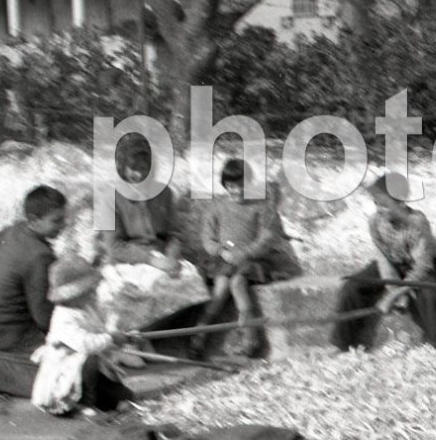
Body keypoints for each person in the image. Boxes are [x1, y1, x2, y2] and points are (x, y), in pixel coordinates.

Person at [332, 173, 436, 353]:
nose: (379, 209)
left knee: (430, 292)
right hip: (393, 263)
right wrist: (395, 292)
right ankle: (343, 344)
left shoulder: (417, 221)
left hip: (418, 265)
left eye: (385, 205)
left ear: (401, 203)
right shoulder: (375, 221)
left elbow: (423, 266)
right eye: (376, 204)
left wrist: (395, 294)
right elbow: (383, 258)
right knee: (352, 286)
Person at [0, 185, 68, 397]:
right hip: (15, 338)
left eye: (63, 218)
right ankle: (2, 374)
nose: (63, 225)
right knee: (69, 376)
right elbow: (42, 316)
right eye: (56, 220)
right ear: (34, 220)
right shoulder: (40, 256)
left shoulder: (14, 231)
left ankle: (2, 367)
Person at [200, 158, 301, 355]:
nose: (236, 191)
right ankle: (200, 334)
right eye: (231, 186)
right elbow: (208, 238)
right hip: (226, 259)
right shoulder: (217, 208)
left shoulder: (262, 207)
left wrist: (245, 253)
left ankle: (250, 338)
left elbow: (268, 237)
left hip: (255, 260)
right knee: (220, 288)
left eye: (241, 186)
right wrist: (222, 251)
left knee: (237, 283)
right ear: (225, 186)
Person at [31, 254, 135, 416]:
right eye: (88, 292)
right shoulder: (63, 318)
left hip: (92, 371)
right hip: (66, 374)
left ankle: (100, 399)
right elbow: (85, 344)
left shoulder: (86, 308)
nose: (93, 294)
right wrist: (111, 338)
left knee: (127, 397)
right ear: (72, 296)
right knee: (88, 359)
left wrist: (122, 337)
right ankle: (83, 404)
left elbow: (101, 333)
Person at [101, 137, 201, 276]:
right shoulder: (110, 198)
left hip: (162, 256)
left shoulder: (164, 193)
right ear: (122, 168)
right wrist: (151, 260)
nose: (140, 174)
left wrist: (171, 256)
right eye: (134, 169)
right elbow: (113, 246)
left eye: (144, 168)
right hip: (127, 262)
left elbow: (174, 234)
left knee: (191, 279)